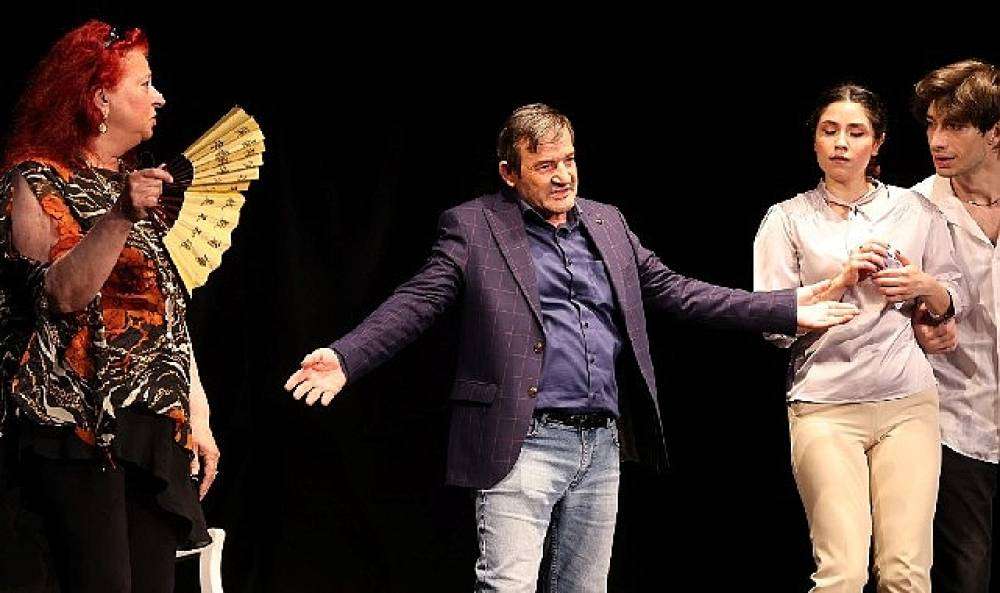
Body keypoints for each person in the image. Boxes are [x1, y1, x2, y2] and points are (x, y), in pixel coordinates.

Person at [284, 102, 859, 592]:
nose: (562, 176)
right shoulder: (474, 227)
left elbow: (679, 291)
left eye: (569, 161)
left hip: (600, 442)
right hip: (521, 439)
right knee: (507, 586)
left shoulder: (607, 224)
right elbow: (418, 300)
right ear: (510, 174)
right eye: (544, 166)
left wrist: (787, 307)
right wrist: (347, 356)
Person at [0, 20, 220, 593]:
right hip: (78, 428)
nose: (159, 97)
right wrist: (120, 214)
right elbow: (61, 295)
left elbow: (167, 313)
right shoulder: (36, 180)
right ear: (100, 99)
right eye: (144, 84)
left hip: (151, 428)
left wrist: (196, 412)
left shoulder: (137, 184)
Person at [754, 84, 967, 592]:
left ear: (878, 142)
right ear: (814, 140)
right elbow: (770, 323)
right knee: (842, 573)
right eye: (830, 131)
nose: (841, 144)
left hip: (906, 404)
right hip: (825, 406)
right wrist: (841, 281)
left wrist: (923, 287)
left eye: (855, 132)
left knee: (904, 572)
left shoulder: (916, 210)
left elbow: (952, 296)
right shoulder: (787, 218)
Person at [908, 59, 1000, 593]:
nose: (937, 140)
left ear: (995, 132)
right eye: (931, 124)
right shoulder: (914, 208)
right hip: (957, 420)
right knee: (965, 575)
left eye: (955, 125)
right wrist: (921, 326)